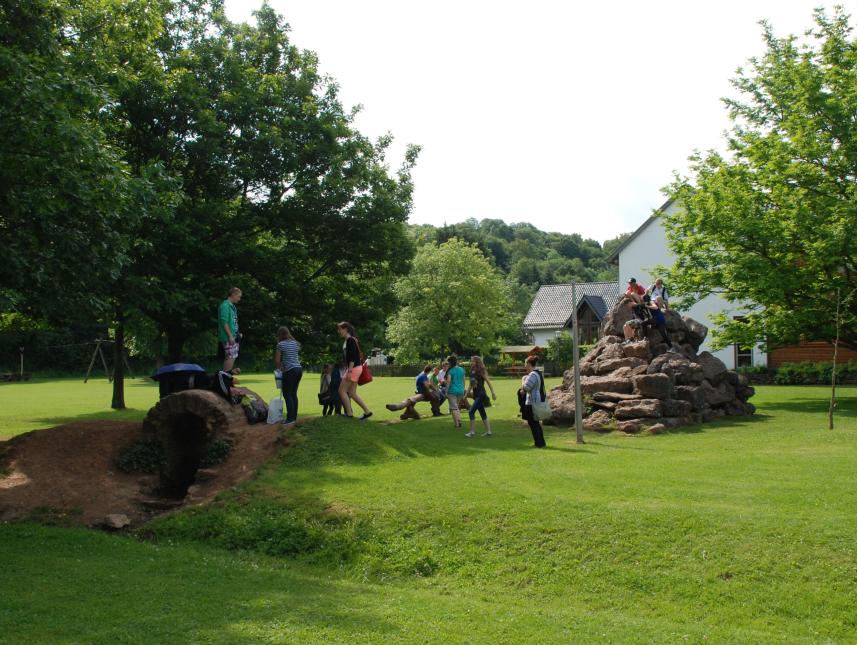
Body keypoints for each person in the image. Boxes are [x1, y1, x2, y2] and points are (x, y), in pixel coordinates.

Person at [336, 322, 372, 420]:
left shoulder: (350, 340)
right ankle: (367, 412)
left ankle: (349, 413)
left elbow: (352, 357)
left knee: (341, 391)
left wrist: (350, 371)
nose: (338, 331)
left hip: (353, 368)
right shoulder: (350, 340)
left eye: (340, 329)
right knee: (352, 393)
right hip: (355, 368)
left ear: (346, 329)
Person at [274, 326, 302, 427]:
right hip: (299, 369)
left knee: (287, 394)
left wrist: (279, 368)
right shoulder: (295, 343)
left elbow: (277, 360)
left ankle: (290, 419)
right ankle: (294, 417)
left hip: (289, 371)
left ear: (279, 335)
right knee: (293, 393)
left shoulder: (280, 344)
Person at [519, 355, 547, 448]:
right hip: (535, 401)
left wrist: (523, 380)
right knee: (535, 423)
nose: (524, 366)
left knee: (533, 423)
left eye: (525, 363)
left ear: (529, 364)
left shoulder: (532, 375)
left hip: (532, 402)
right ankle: (540, 442)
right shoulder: (538, 373)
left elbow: (526, 388)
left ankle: (539, 443)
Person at [466, 355, 496, 438]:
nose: (471, 362)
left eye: (472, 361)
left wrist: (493, 393)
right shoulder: (472, 371)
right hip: (476, 395)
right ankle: (488, 431)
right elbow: (471, 385)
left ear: (477, 362)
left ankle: (472, 432)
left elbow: (488, 381)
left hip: (481, 394)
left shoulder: (481, 370)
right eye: (471, 361)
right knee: (482, 412)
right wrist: (466, 394)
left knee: (471, 411)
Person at [218, 287, 242, 371]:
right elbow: (224, 322)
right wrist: (230, 336)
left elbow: (233, 323)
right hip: (229, 337)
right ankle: (225, 379)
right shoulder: (225, 306)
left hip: (233, 336)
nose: (239, 299)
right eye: (238, 296)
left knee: (231, 356)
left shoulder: (231, 307)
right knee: (231, 357)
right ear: (233, 295)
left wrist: (237, 334)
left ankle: (225, 379)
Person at [444, 355, 466, 428]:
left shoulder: (450, 371)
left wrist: (446, 391)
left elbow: (448, 382)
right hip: (460, 391)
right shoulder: (462, 369)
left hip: (452, 391)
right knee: (456, 407)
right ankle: (458, 421)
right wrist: (463, 389)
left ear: (450, 362)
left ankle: (457, 423)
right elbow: (464, 381)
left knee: (453, 408)